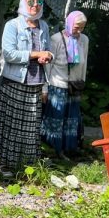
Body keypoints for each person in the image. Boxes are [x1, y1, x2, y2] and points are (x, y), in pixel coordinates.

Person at [0, 0, 52, 177]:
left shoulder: (44, 26)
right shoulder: (13, 25)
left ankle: (26, 166)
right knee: (10, 126)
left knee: (31, 128)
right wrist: (35, 54)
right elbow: (9, 54)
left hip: (36, 82)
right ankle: (5, 166)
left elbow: (46, 52)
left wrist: (47, 56)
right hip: (14, 82)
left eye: (39, 2)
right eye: (31, 2)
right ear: (24, 2)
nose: (35, 6)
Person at [42, 10, 89, 159]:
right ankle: (52, 150)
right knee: (55, 118)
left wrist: (82, 82)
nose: (79, 31)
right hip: (57, 85)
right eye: (76, 27)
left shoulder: (84, 39)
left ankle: (69, 149)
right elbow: (48, 66)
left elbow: (84, 62)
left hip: (74, 86)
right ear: (69, 23)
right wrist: (45, 88)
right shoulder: (56, 39)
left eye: (82, 27)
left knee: (71, 119)